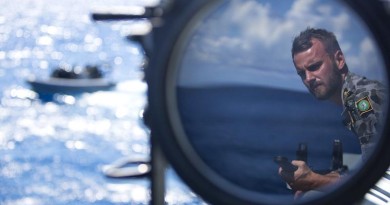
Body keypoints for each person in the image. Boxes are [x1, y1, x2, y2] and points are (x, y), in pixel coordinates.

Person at [278, 27, 387, 198]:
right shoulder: (355, 96)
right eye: (301, 74)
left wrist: (313, 180)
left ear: (339, 59)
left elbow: (378, 181)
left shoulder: (364, 101)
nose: (308, 78)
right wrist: (315, 178)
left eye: (314, 66)